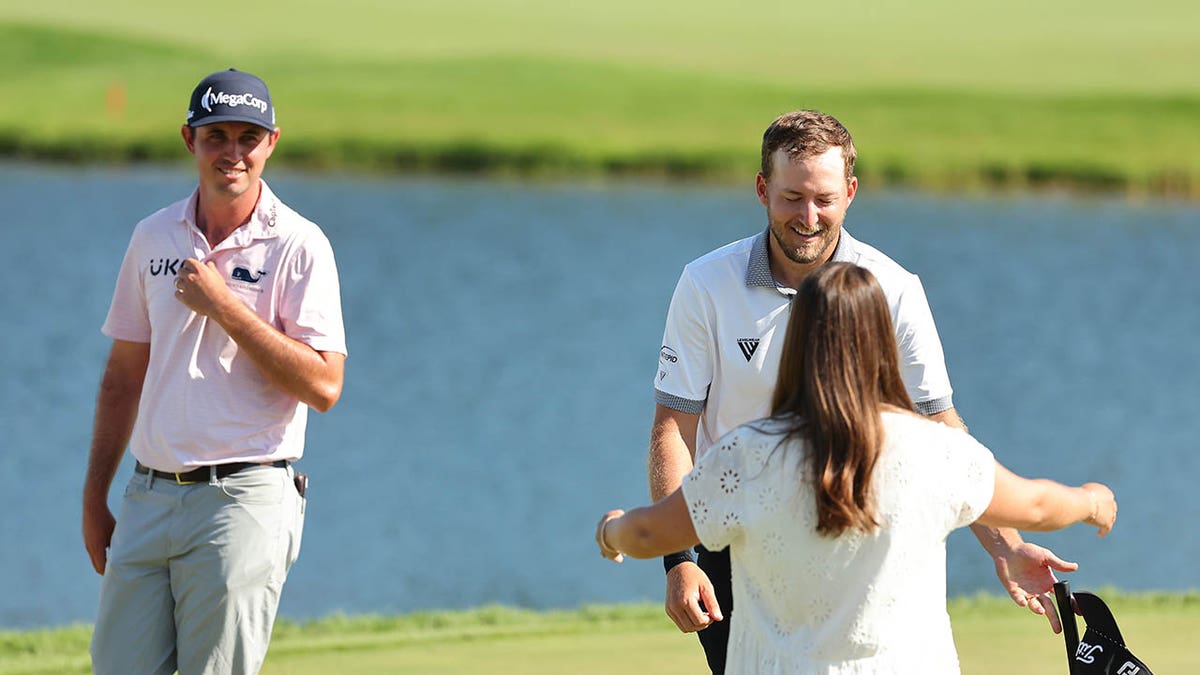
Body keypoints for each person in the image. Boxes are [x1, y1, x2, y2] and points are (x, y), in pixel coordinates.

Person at [648, 110, 1077, 673]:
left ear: (850, 193)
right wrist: (679, 560)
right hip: (737, 543)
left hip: (858, 544)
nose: (808, 217)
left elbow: (942, 432)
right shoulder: (706, 284)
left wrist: (1007, 546)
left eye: (824, 199)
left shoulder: (893, 289)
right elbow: (673, 428)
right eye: (791, 197)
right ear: (762, 190)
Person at [602, 262, 1117, 673]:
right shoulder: (939, 452)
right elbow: (1040, 504)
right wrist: (1093, 501)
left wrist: (610, 532)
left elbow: (647, 532)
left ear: (797, 348)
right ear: (883, 348)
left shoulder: (748, 456)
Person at [81, 68, 347, 675]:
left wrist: (224, 305)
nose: (233, 153)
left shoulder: (300, 246)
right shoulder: (152, 237)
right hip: (148, 495)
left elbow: (324, 387)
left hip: (244, 500)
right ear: (189, 140)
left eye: (247, 138)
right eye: (216, 136)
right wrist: (95, 496)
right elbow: (123, 377)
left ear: (271, 143)